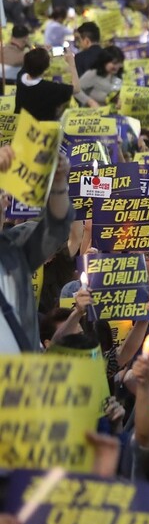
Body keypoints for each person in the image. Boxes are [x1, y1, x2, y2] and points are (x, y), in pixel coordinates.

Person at [0, 148, 73, 353]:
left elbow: (58, 225)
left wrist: (58, 183)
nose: (4, 198)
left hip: (21, 375)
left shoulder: (14, 250)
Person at [15, 47, 93, 119]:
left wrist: (40, 54)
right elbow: (76, 88)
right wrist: (71, 63)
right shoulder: (52, 88)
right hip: (44, 129)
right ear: (47, 67)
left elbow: (30, 63)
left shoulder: (20, 76)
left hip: (19, 125)